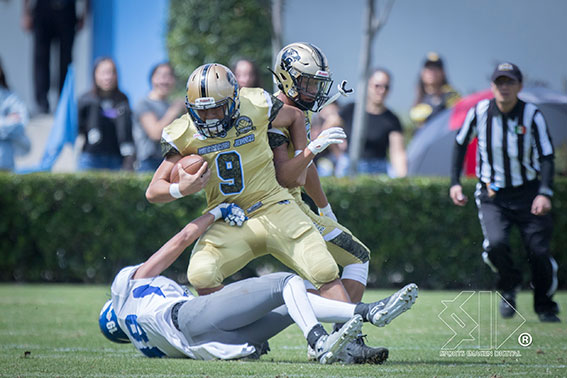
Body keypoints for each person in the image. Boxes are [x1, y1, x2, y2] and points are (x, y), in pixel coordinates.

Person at [98, 202, 418, 362]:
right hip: (188, 316)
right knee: (285, 283)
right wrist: (216, 212)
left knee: (295, 302)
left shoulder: (147, 345)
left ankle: (368, 313)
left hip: (209, 342)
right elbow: (180, 240)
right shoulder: (125, 289)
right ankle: (320, 340)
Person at [146, 63, 351, 305]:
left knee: (323, 267)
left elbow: (295, 116)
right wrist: (180, 189)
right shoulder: (184, 131)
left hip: (275, 206)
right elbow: (153, 191)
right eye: (203, 111)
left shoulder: (255, 104)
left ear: (234, 100)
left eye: (218, 109)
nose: (210, 118)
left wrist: (301, 156)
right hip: (230, 217)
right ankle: (235, 337)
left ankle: (351, 338)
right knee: (202, 274)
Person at [270, 42, 392, 364]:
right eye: (306, 81)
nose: (312, 89)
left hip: (293, 203)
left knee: (357, 256)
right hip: (276, 205)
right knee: (327, 269)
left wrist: (324, 208)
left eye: (315, 82)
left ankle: (339, 334)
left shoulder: (299, 113)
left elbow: (305, 169)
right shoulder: (277, 115)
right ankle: (345, 339)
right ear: (286, 78)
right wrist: (314, 148)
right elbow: (288, 176)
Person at [450, 62, 560, 323]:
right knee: (496, 244)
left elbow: (546, 156)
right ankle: (508, 286)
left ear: (519, 86)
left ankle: (545, 305)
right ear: (492, 86)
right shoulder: (480, 111)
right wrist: (455, 182)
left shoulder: (532, 115)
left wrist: (544, 192)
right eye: (499, 82)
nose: (504, 87)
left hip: (528, 192)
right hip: (493, 195)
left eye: (510, 82)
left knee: (539, 250)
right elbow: (459, 143)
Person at [324, 68, 407, 177]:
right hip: (349, 165)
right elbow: (327, 129)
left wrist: (402, 177)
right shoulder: (351, 109)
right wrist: (339, 153)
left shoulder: (392, 119)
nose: (381, 90)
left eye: (386, 87)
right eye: (377, 86)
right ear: (368, 85)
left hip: (377, 169)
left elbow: (397, 152)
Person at [21, 0, 89, 114]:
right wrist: (26, 13)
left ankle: (63, 102)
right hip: (43, 8)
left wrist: (85, 13)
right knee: (41, 58)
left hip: (67, 9)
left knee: (66, 60)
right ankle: (41, 103)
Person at [77, 57, 135, 171]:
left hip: (116, 159)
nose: (108, 77)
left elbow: (127, 129)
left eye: (111, 73)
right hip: (91, 158)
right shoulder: (86, 99)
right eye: (103, 73)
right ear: (95, 75)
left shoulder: (122, 99)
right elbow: (78, 127)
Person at [133, 62, 185, 172]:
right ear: (152, 79)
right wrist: (174, 110)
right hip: (148, 163)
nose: (165, 81)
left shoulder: (170, 105)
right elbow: (155, 133)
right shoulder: (143, 103)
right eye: (161, 76)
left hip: (169, 161)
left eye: (169, 76)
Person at [410, 52, 460, 129]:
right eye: (429, 68)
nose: (432, 72)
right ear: (422, 73)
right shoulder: (419, 99)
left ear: (443, 73)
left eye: (436, 68)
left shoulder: (451, 96)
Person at [0, 58, 31, 171]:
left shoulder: (11, 97)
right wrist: (7, 121)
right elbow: (12, 124)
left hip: (5, 165)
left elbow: (21, 123)